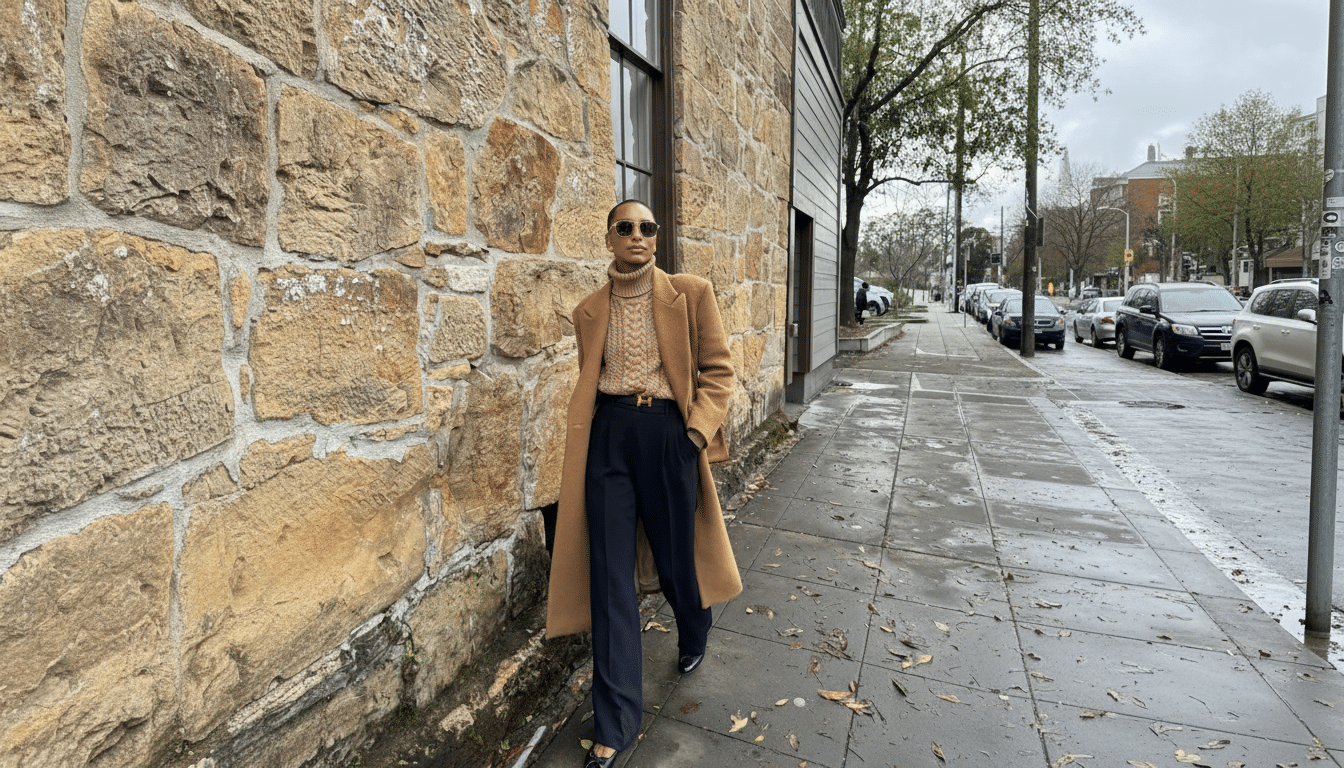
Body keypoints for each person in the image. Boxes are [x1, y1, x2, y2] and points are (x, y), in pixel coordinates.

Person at [545, 199, 741, 768]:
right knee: (610, 577)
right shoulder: (588, 311)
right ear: (608, 239)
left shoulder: (690, 293)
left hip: (666, 436)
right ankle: (615, 722)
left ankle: (694, 621)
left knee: (677, 554)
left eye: (647, 227)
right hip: (608, 439)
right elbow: (592, 379)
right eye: (625, 227)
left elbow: (719, 371)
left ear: (657, 238)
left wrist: (696, 435)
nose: (638, 235)